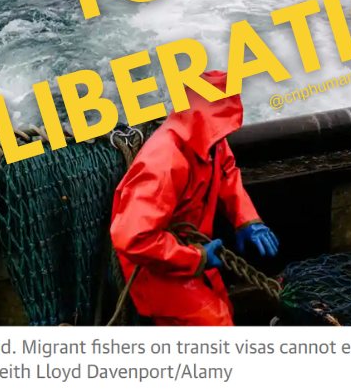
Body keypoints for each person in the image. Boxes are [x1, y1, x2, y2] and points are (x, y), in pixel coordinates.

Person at [110, 70, 279, 325]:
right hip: (159, 270)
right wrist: (196, 257)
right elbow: (133, 237)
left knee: (223, 307)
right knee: (216, 322)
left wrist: (247, 221)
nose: (224, 135)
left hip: (191, 254)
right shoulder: (163, 162)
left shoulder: (212, 142)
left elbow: (226, 172)